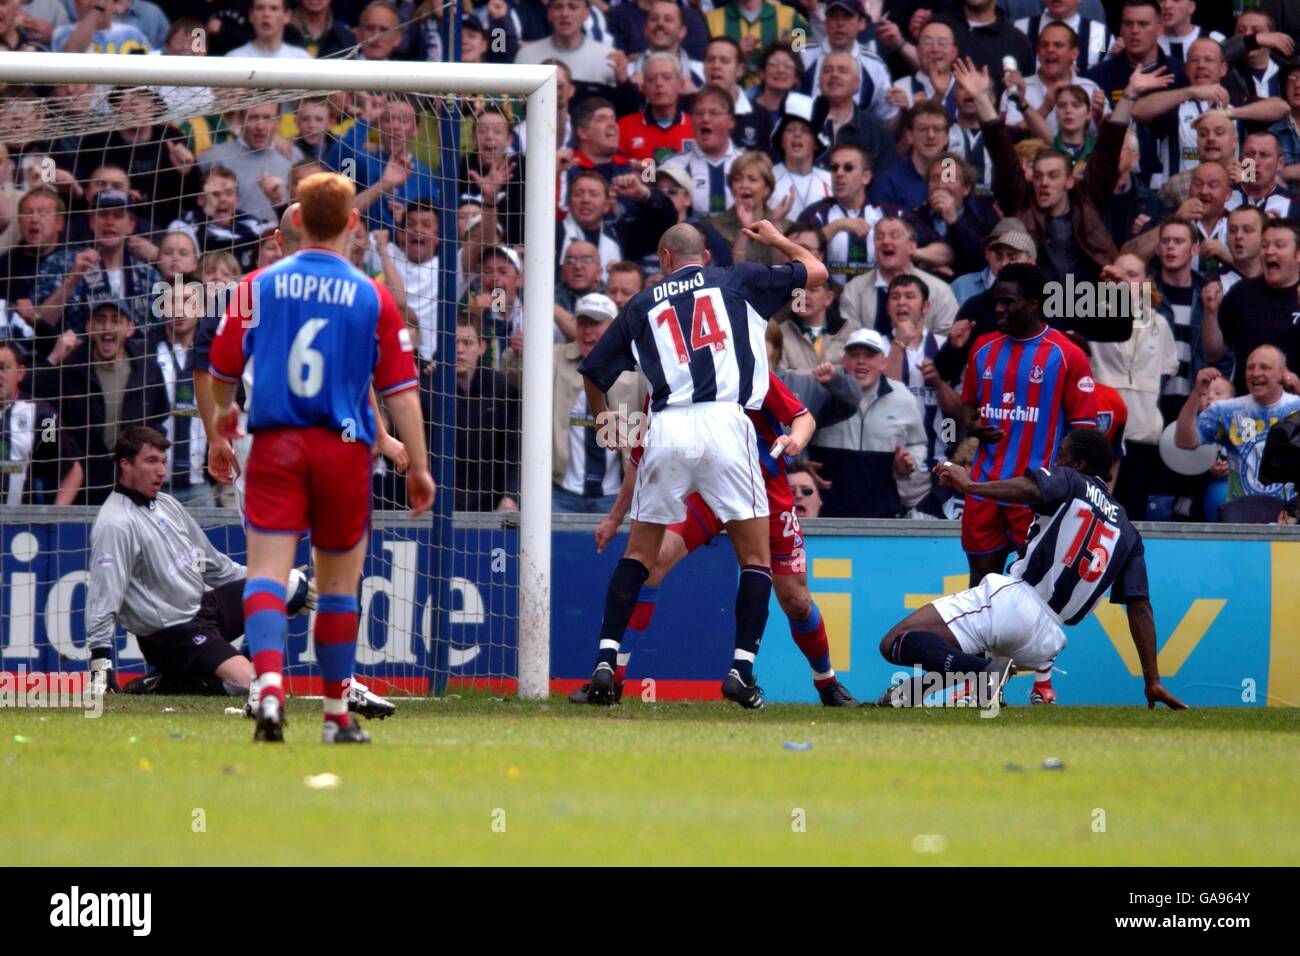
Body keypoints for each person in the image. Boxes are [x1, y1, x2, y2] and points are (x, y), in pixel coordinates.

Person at [207, 172, 434, 743]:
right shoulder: (371, 294)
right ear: (354, 223)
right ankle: (335, 716)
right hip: (342, 448)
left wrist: (218, 429)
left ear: (299, 221)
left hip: (276, 443)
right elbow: (399, 390)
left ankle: (271, 689)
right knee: (338, 585)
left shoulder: (257, 285)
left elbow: (218, 373)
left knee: (265, 572)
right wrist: (422, 465)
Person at [577, 220, 828, 709]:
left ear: (665, 259)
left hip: (667, 424)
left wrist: (606, 421)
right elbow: (816, 271)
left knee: (640, 555)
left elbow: (592, 370)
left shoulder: (642, 303)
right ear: (704, 257)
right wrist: (775, 239)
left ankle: (606, 662)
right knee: (755, 559)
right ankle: (740, 670)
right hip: (726, 423)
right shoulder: (737, 279)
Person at [576, 366, 861, 707]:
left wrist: (794, 441)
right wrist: (613, 518)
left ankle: (826, 683)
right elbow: (641, 455)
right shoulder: (669, 375)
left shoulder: (749, 369)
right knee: (653, 564)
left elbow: (803, 417)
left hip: (766, 490)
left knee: (795, 599)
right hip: (707, 489)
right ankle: (613, 678)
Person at [877, 428, 1188, 711]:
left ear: (1078, 464)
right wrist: (1153, 679)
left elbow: (1031, 489)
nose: (1056, 459)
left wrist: (970, 485)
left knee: (896, 641)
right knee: (963, 650)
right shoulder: (1128, 532)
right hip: (1046, 643)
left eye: (1062, 452)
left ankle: (986, 673)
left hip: (1015, 602)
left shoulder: (1070, 480)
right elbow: (1140, 606)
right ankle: (913, 693)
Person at [84, 425, 315, 697]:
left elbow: (210, 564)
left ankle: (227, 665)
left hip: (205, 609)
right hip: (171, 635)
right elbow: (104, 598)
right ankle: (165, 683)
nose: (161, 471)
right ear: (125, 464)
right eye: (151, 461)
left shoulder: (167, 504)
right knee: (249, 684)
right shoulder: (115, 524)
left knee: (286, 584)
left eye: (163, 462)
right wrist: (100, 666)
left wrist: (265, 578)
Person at [956, 262, 1098, 588]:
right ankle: (983, 640)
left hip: (1036, 493)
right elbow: (967, 407)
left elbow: (1085, 432)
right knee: (980, 584)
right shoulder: (983, 348)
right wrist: (974, 425)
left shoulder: (1067, 355)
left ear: (1033, 304)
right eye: (996, 301)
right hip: (984, 488)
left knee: (1033, 588)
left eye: (1008, 302)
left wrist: (1066, 483)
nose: (999, 309)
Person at [809, 326, 927, 517]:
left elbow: (918, 443)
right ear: (844, 361)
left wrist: (908, 461)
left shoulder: (904, 398)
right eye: (854, 355)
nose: (861, 361)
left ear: (883, 363)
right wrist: (802, 464)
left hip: (882, 517)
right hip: (827, 516)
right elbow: (797, 435)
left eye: (869, 355)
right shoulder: (822, 392)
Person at [552, 293, 642, 513]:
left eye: (595, 324)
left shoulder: (636, 367)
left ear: (614, 327)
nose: (587, 331)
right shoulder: (553, 357)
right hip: (561, 492)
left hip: (616, 493)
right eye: (582, 323)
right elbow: (512, 373)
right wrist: (516, 354)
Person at [1175, 350, 1300, 507]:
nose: (1255, 373)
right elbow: (1184, 441)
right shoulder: (1227, 410)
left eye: (1264, 367)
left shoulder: (1296, 406)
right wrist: (1197, 392)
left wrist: (1298, 387)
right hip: (1241, 513)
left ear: (1282, 373)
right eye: (1250, 367)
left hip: (1291, 515)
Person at [0, 340, 83, 504]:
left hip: (24, 525)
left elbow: (72, 469)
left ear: (21, 373)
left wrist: (54, 516)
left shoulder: (43, 418)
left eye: (4, 368)